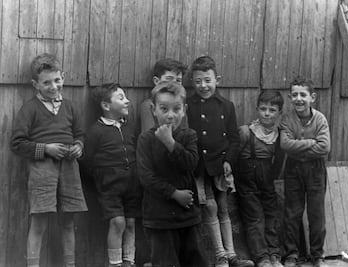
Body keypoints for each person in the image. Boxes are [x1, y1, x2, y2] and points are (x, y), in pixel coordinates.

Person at [10, 53, 88, 267]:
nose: (53, 86)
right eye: (46, 82)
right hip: (42, 170)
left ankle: (69, 265)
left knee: (68, 221)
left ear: (62, 77)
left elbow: (80, 134)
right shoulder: (30, 109)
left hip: (69, 168)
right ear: (35, 84)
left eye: (57, 80)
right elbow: (17, 144)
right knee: (39, 222)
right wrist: (46, 149)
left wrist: (78, 147)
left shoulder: (71, 107)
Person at [186, 56, 254, 267]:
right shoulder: (188, 105)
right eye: (198, 81)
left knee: (223, 208)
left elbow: (233, 138)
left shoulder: (226, 106)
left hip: (219, 166)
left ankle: (232, 255)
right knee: (210, 208)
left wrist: (228, 162)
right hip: (199, 167)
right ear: (192, 82)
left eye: (207, 80)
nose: (203, 86)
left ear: (217, 80)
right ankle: (220, 257)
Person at [137, 81, 208, 267]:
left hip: (188, 216)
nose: (170, 115)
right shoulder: (145, 140)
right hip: (159, 219)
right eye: (164, 109)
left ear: (184, 110)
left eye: (176, 109)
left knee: (196, 261)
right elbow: (146, 177)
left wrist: (171, 144)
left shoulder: (189, 136)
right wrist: (174, 193)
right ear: (153, 109)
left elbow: (191, 164)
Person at [82, 84, 140, 267]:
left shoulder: (129, 127)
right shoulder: (96, 131)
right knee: (117, 222)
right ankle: (115, 264)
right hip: (109, 188)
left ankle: (129, 262)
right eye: (121, 98)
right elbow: (86, 161)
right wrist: (102, 179)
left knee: (130, 223)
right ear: (106, 106)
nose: (127, 101)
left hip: (132, 185)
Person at [280, 76, 330, 267]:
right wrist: (310, 142)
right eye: (294, 95)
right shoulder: (286, 119)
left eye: (303, 94)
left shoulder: (320, 119)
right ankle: (291, 254)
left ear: (312, 97)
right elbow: (285, 145)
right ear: (290, 97)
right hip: (293, 169)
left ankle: (317, 255)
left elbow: (324, 148)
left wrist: (298, 146)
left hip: (316, 170)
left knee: (316, 213)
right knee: (292, 212)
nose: (299, 99)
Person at [236, 91, 285, 267]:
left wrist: (270, 179)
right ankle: (262, 258)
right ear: (256, 109)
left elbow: (278, 162)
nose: (267, 113)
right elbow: (234, 156)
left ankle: (274, 254)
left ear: (279, 113)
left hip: (267, 181)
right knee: (255, 218)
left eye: (272, 110)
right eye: (263, 109)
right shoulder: (245, 132)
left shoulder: (280, 136)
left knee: (272, 216)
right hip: (247, 182)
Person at [140, 58, 188, 132]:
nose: (174, 83)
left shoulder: (180, 104)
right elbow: (149, 135)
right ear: (156, 81)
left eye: (178, 80)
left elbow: (186, 133)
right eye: (169, 79)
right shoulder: (148, 106)